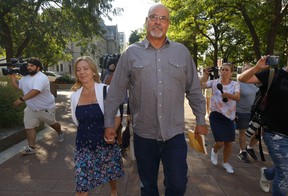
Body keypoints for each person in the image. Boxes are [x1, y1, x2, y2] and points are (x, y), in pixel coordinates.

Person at [103, 3, 208, 196]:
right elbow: (116, 90)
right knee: (148, 186)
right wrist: (110, 122)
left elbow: (193, 89)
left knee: (177, 185)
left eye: (163, 18)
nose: (158, 22)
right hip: (144, 134)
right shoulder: (130, 53)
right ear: (146, 21)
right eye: (153, 17)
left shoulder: (182, 52)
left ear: (168, 24)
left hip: (174, 133)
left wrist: (200, 119)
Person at [70, 56, 124, 196]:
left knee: (110, 172)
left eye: (85, 68)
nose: (82, 72)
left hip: (104, 142)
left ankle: (113, 191)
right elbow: (77, 122)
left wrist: (111, 133)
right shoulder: (74, 96)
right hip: (83, 145)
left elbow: (116, 115)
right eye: (78, 70)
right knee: (81, 184)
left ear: (94, 71)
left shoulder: (106, 90)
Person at [238, 56, 288, 195]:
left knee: (284, 167)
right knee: (286, 174)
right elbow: (243, 79)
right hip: (276, 134)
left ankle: (267, 173)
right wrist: (257, 68)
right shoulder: (274, 74)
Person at [10, 57, 64, 155]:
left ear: (38, 68)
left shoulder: (41, 77)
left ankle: (60, 132)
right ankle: (31, 147)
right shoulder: (25, 77)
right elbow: (18, 86)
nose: (29, 68)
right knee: (29, 127)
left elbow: (35, 91)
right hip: (31, 108)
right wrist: (13, 77)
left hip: (46, 107)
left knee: (52, 123)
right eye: (28, 66)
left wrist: (21, 99)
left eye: (32, 66)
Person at [201, 63, 240, 174]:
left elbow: (237, 97)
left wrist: (228, 95)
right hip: (216, 115)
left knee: (228, 142)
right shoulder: (214, 83)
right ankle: (214, 150)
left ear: (231, 72)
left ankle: (225, 162)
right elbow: (200, 86)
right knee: (220, 142)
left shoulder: (235, 84)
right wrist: (205, 76)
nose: (224, 72)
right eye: (222, 69)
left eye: (227, 70)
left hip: (229, 117)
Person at [236, 63, 259, 163]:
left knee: (259, 133)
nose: (249, 72)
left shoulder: (255, 83)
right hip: (242, 111)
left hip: (254, 112)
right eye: (246, 70)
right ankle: (242, 151)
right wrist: (233, 112)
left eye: (251, 70)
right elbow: (232, 99)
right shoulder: (239, 83)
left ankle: (250, 147)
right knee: (243, 132)